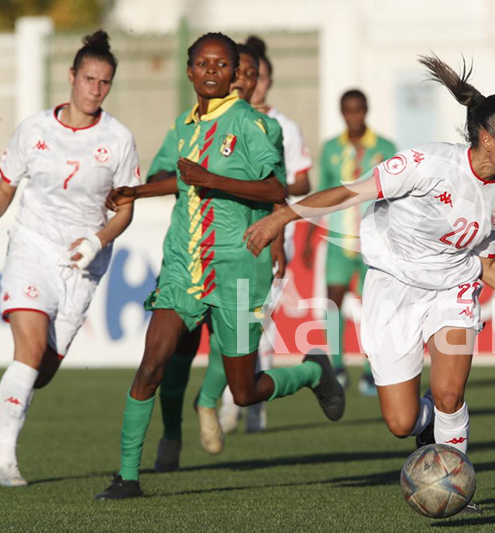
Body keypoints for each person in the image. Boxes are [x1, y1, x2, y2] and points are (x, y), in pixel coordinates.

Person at [244, 54, 495, 513]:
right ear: (487, 138)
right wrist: (283, 216)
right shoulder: (426, 163)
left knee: (449, 393)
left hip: (454, 292)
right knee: (401, 422)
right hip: (393, 288)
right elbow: (349, 191)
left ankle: (455, 481)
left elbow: (486, 264)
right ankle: (428, 430)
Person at [94, 32, 344, 500]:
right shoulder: (182, 126)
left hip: (237, 270)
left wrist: (211, 179)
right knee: (152, 365)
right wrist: (135, 192)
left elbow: (275, 190)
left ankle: (311, 372)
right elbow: (173, 178)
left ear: (234, 74)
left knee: (245, 391)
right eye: (202, 64)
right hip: (184, 265)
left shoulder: (251, 124)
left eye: (221, 65)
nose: (211, 71)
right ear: (189, 71)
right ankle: (128, 476)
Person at [0, 31, 140, 487]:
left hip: (83, 266)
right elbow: (5, 188)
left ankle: (10, 411)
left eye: (105, 83)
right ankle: (4, 460)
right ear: (72, 77)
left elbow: (126, 209)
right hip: (32, 247)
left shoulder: (118, 139)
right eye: (89, 79)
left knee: (41, 371)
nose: (95, 90)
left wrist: (97, 241)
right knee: (29, 350)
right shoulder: (34, 130)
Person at [147, 42, 289, 472]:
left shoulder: (268, 127)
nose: (241, 79)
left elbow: (281, 190)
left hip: (242, 259)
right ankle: (172, 434)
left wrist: (277, 240)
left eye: (249, 74)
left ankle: (209, 403)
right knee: (176, 357)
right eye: (238, 71)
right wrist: (155, 185)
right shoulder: (190, 125)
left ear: (257, 80)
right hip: (192, 258)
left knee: (233, 359)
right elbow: (164, 173)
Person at [217, 35, 315, 434]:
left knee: (259, 322)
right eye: (244, 74)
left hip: (271, 235)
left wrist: (269, 192)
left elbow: (303, 180)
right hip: (223, 236)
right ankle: (229, 399)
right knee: (229, 321)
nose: (252, 83)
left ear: (266, 80)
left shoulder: (282, 127)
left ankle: (247, 404)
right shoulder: (218, 120)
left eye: (259, 76)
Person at [302, 89, 397, 396]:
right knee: (333, 300)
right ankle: (338, 366)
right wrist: (307, 237)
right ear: (341, 112)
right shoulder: (331, 148)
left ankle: (372, 370)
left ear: (366, 110)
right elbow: (323, 194)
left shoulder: (385, 147)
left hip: (373, 239)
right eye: (347, 111)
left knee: (374, 306)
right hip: (339, 237)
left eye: (358, 110)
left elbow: (395, 195)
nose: (353, 116)